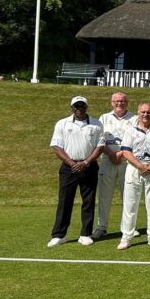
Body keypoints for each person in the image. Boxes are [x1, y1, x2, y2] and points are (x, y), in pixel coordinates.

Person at [47, 96, 105, 247]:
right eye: (76, 106)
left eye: (82, 106)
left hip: (89, 166)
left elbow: (100, 146)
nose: (79, 109)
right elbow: (57, 147)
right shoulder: (62, 123)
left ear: (86, 107)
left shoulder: (96, 124)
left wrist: (85, 162)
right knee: (65, 200)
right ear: (71, 108)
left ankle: (85, 233)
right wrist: (72, 163)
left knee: (88, 201)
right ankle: (59, 235)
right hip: (68, 167)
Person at [117, 102, 150, 250]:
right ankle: (126, 237)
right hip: (134, 170)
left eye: (148, 112)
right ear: (138, 113)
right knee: (130, 204)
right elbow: (126, 152)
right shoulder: (130, 130)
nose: (145, 115)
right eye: (143, 112)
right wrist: (140, 166)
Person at [93, 92, 136, 240]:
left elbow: (136, 140)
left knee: (128, 196)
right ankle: (101, 227)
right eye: (116, 101)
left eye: (123, 101)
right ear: (112, 103)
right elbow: (99, 140)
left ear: (127, 102)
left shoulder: (135, 119)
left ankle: (128, 228)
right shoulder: (104, 118)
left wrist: (121, 154)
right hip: (107, 159)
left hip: (128, 162)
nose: (119, 103)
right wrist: (111, 154)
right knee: (104, 196)